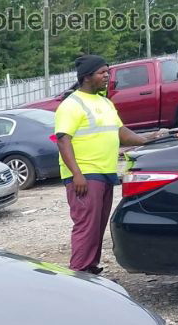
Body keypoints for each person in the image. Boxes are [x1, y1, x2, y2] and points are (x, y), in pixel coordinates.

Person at [54, 54, 171, 274]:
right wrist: (76, 174)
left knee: (97, 225)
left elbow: (120, 132)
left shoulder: (105, 102)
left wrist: (148, 138)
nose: (107, 76)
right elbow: (63, 139)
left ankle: (90, 268)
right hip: (85, 174)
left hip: (105, 172)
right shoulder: (71, 105)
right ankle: (79, 273)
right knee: (86, 226)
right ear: (87, 77)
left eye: (108, 71)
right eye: (102, 72)